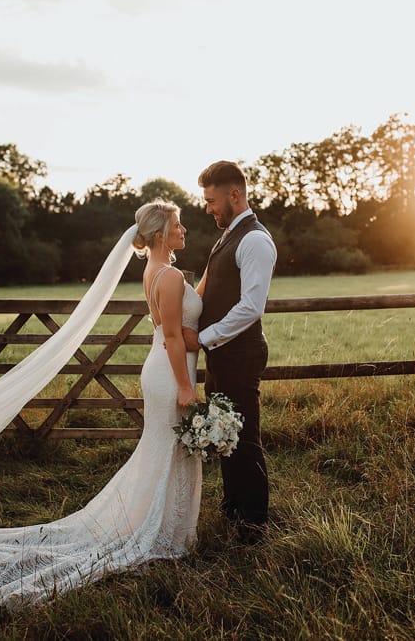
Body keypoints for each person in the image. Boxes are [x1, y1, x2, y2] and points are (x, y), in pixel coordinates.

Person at [0, 200, 204, 608]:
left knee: (161, 449)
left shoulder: (155, 271)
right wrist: (187, 387)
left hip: (158, 371)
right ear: (160, 236)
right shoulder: (170, 275)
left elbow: (178, 319)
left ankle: (160, 527)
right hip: (171, 375)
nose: (184, 229)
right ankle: (161, 532)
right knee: (167, 447)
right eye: (178, 225)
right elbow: (174, 336)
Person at [187, 160, 277, 544]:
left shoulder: (255, 240)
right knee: (225, 433)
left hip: (240, 354)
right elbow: (206, 291)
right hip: (221, 354)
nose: (208, 208)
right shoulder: (227, 236)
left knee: (246, 437)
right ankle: (232, 507)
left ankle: (254, 523)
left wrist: (203, 337)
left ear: (234, 195)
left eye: (211, 201)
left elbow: (250, 307)